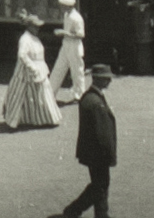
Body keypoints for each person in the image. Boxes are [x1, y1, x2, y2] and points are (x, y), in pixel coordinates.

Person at [64, 64, 117, 218]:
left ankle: (94, 213)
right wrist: (110, 155)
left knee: (99, 185)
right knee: (100, 185)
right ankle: (75, 210)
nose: (109, 82)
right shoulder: (96, 103)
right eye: (107, 79)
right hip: (99, 154)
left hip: (91, 152)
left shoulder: (88, 97)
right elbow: (103, 135)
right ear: (99, 80)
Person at [2, 14, 61, 130]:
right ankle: (14, 118)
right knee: (20, 94)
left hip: (39, 70)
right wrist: (32, 67)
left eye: (38, 26)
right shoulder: (25, 39)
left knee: (41, 94)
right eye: (35, 26)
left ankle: (45, 117)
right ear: (29, 27)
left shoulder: (35, 37)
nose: (38, 28)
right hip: (26, 71)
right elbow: (22, 55)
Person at [53, 0, 91, 103]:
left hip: (75, 46)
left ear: (68, 6)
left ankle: (80, 95)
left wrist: (64, 32)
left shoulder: (77, 18)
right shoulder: (66, 15)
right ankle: (50, 93)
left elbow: (81, 35)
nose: (60, 7)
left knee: (77, 72)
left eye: (62, 5)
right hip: (66, 45)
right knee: (58, 68)